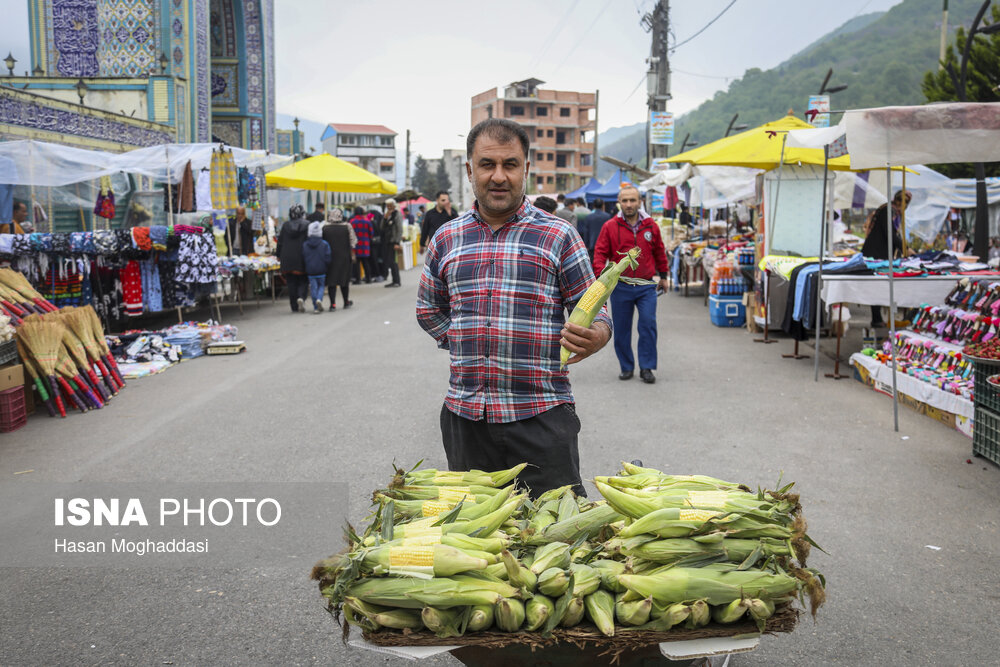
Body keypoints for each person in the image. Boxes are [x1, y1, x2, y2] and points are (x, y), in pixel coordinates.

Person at [416, 118, 612, 499]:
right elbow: (428, 309)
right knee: (478, 543)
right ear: (470, 170)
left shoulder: (558, 235)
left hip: (541, 415)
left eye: (511, 164)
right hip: (466, 415)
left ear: (526, 168)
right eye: (488, 165)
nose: (499, 176)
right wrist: (466, 341)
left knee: (554, 542)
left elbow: (596, 307)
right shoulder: (447, 237)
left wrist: (596, 335)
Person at [592, 185, 670, 385]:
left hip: (646, 286)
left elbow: (659, 251)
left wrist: (663, 275)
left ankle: (647, 367)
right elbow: (600, 252)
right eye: (625, 201)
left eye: (632, 200)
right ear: (619, 202)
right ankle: (626, 366)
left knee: (648, 325)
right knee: (622, 329)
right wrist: (600, 276)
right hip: (620, 287)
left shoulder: (651, 225)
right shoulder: (610, 226)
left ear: (640, 201)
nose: (628, 204)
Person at [861, 189, 910, 327]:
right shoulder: (889, 211)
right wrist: (905, 248)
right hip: (875, 254)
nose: (904, 207)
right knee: (876, 287)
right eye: (903, 203)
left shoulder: (891, 211)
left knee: (878, 286)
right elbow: (890, 234)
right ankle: (876, 319)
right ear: (898, 201)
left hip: (879, 252)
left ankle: (879, 319)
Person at [276, 204, 310, 312]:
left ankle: (294, 306)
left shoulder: (285, 226)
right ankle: (301, 297)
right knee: (303, 280)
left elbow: (280, 242)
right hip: (301, 256)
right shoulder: (307, 225)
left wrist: (278, 255)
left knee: (291, 282)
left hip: (287, 257)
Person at [323, 208, 356, 310]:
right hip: (344, 257)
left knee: (331, 281)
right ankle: (346, 302)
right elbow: (353, 242)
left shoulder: (325, 228)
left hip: (330, 258)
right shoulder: (347, 226)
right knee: (344, 280)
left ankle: (332, 304)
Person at [302, 221, 332, 313]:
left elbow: (303, 256)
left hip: (310, 270)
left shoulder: (305, 244)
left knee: (313, 287)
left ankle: (315, 306)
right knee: (321, 286)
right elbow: (328, 257)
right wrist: (327, 265)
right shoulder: (325, 244)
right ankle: (319, 299)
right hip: (322, 269)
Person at [350, 206, 375, 284]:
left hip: (355, 244)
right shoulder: (367, 221)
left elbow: (350, 234)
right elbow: (371, 233)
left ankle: (358, 279)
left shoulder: (352, 221)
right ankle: (368, 278)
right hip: (365, 244)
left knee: (356, 263)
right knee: (365, 262)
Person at [381, 198, 403, 287]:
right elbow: (381, 227)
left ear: (394, 205)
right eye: (387, 206)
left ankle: (397, 281)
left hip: (393, 241)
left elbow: (399, 229)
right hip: (387, 241)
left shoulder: (397, 214)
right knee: (389, 261)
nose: (389, 207)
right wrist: (385, 218)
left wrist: (397, 242)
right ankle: (394, 280)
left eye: (390, 205)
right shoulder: (387, 215)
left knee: (393, 261)